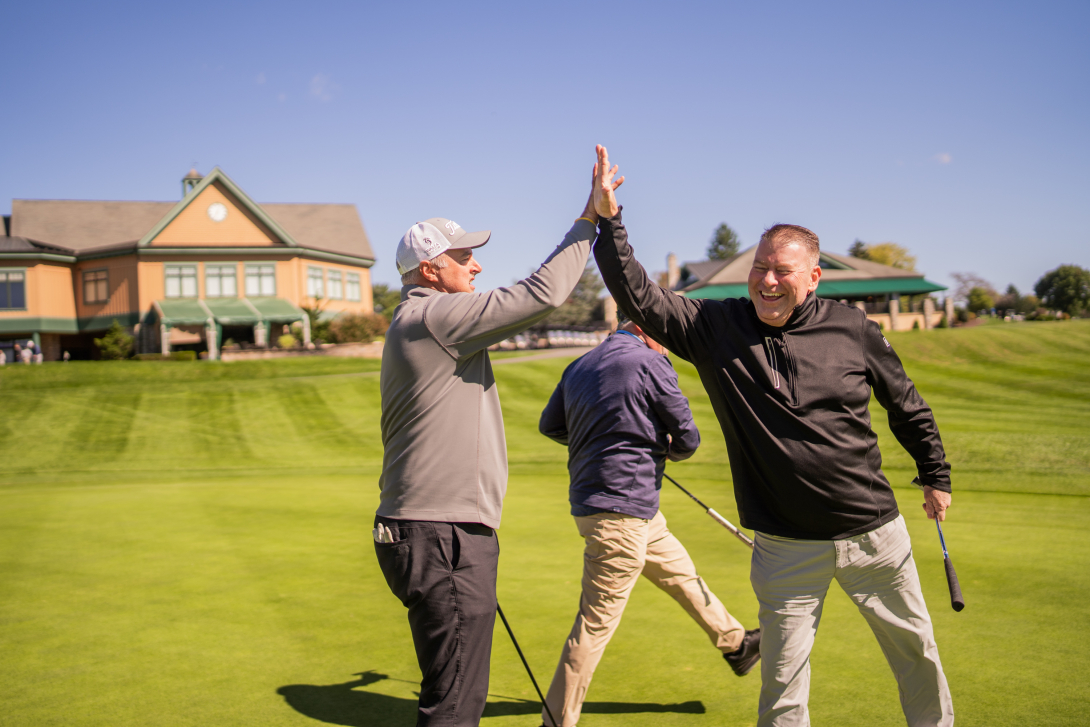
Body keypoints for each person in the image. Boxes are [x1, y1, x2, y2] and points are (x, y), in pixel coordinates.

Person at [591, 157, 954, 726]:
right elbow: (638, 295)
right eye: (760, 267)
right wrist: (610, 223)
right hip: (787, 549)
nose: (766, 280)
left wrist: (934, 473)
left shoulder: (853, 328)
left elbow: (905, 405)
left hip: (874, 535)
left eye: (782, 271)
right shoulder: (717, 328)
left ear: (812, 277)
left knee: (917, 654)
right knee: (783, 683)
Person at [373, 148, 624, 727]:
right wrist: (589, 218)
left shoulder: (419, 320)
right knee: (457, 704)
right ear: (430, 268)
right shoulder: (435, 317)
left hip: (435, 531)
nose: (476, 266)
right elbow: (541, 295)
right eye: (464, 257)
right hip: (443, 535)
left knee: (453, 687)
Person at [538, 312, 761, 727]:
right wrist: (656, 447)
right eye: (665, 337)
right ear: (645, 328)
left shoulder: (580, 364)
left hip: (612, 508)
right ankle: (556, 722)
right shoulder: (650, 361)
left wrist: (608, 444)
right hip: (621, 514)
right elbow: (687, 438)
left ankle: (736, 644)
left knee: (680, 573)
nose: (669, 345)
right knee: (594, 623)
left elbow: (551, 425)